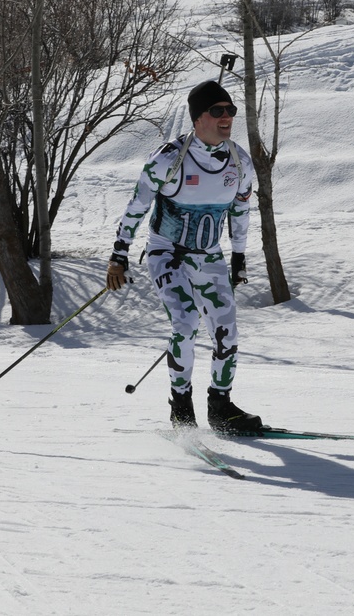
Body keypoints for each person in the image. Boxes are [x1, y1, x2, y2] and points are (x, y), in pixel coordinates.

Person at [105, 80, 264, 433]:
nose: (227, 118)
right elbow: (137, 206)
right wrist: (119, 254)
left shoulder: (239, 162)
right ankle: (181, 407)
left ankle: (221, 406)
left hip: (209, 256)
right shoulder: (169, 159)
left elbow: (241, 212)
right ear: (197, 118)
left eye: (231, 111)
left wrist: (239, 258)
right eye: (217, 111)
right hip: (168, 253)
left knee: (226, 331)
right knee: (185, 321)